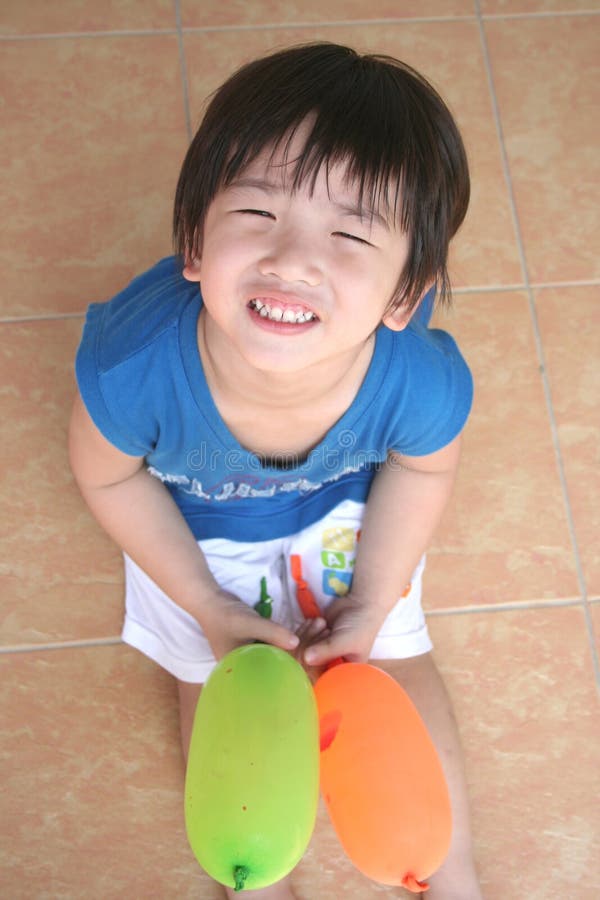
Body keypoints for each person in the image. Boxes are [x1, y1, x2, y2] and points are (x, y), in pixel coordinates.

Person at [69, 42, 482, 899]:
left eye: (349, 234)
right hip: (192, 525)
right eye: (256, 215)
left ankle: (456, 878)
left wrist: (371, 599)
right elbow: (110, 478)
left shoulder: (421, 378)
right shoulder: (130, 368)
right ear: (194, 240)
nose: (292, 259)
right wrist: (211, 608)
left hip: (342, 507)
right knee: (221, 678)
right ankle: (254, 882)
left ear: (404, 299)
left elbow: (422, 473)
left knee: (394, 657)